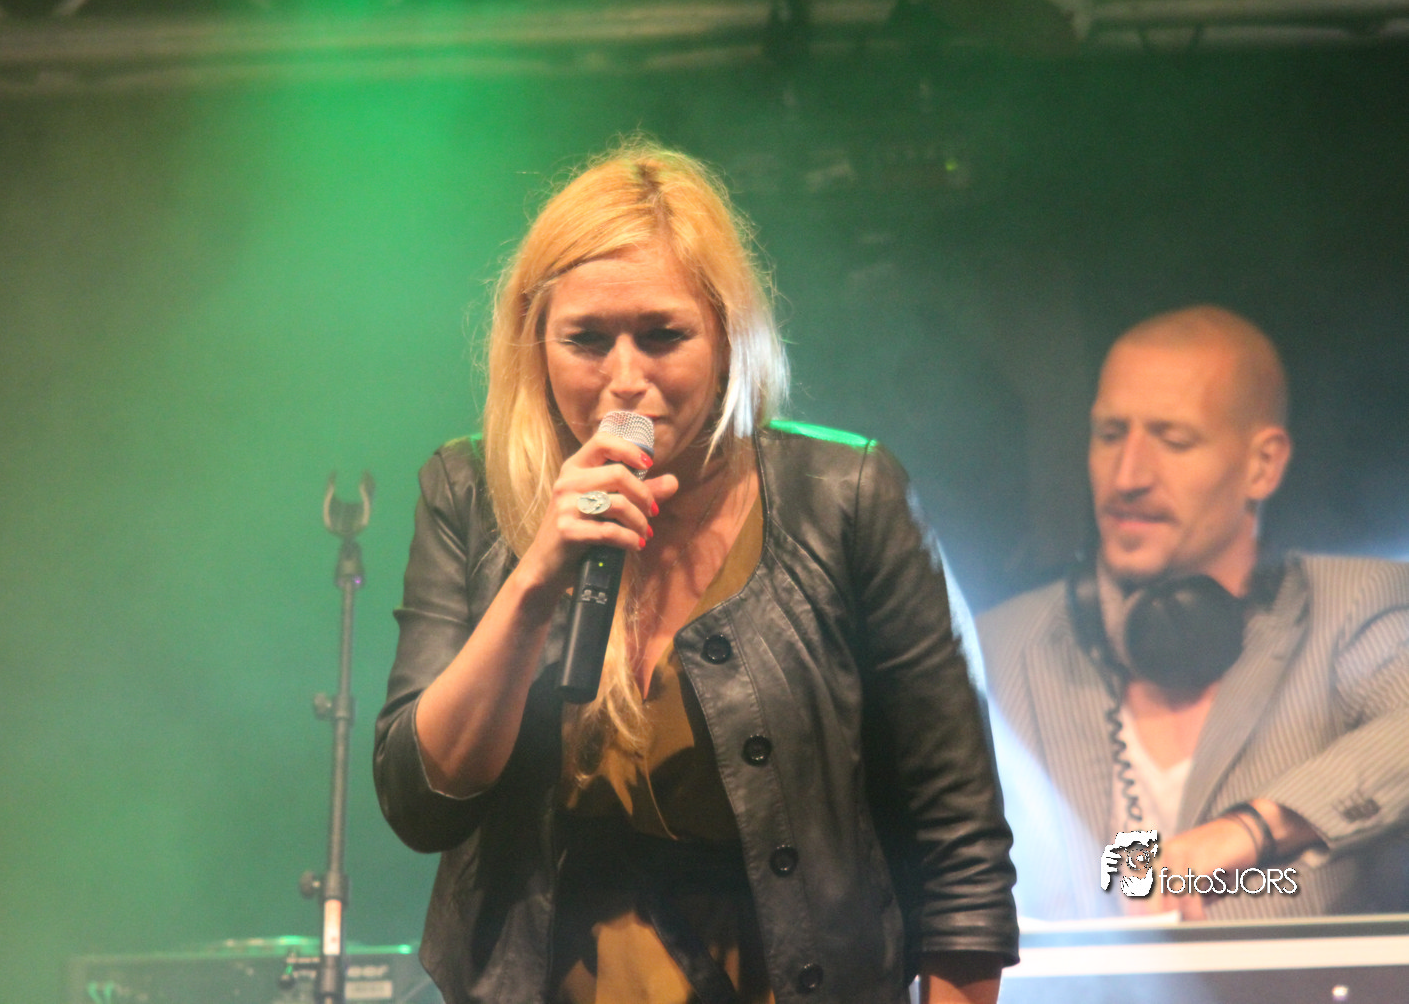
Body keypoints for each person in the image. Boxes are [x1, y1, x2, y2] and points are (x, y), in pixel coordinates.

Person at [373, 142, 1018, 1004]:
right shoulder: (468, 491)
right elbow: (420, 801)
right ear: (535, 342)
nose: (624, 380)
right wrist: (533, 583)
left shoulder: (844, 497)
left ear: (725, 335)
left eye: (662, 335)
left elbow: (959, 845)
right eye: (586, 339)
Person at [979, 305, 1409, 921]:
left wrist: (1253, 829)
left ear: (1262, 465)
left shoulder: (1353, 609)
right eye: (1110, 435)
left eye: (1174, 441)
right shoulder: (998, 648)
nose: (1128, 476)